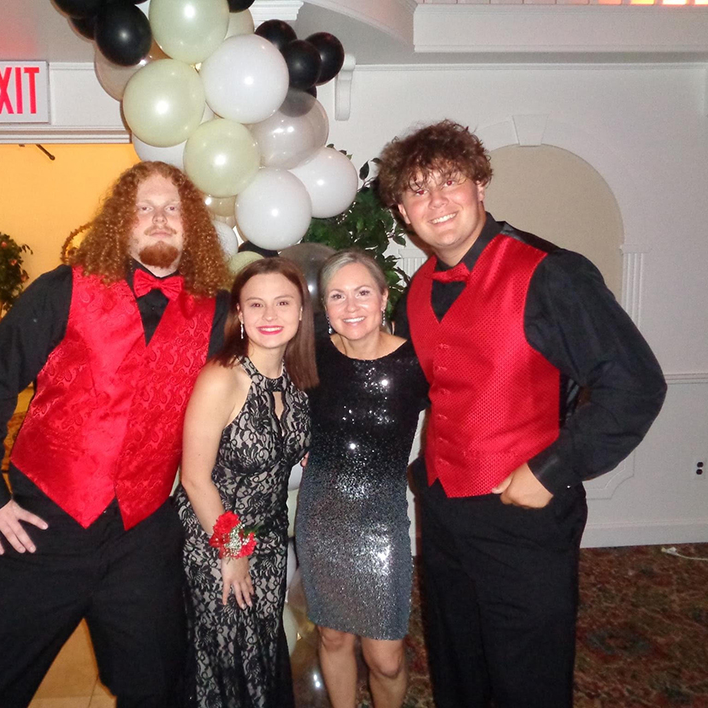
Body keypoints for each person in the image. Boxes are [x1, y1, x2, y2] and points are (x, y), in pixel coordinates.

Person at [377, 120, 667, 708]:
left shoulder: (551, 274)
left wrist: (551, 470)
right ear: (403, 213)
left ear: (481, 186)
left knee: (526, 675)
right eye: (417, 189)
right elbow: (411, 389)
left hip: (523, 512)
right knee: (458, 662)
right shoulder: (415, 291)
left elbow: (635, 385)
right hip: (444, 510)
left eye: (450, 181)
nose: (436, 200)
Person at [0, 161, 230, 707]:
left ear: (191, 225)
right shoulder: (61, 290)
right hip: (43, 527)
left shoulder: (218, 311)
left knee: (156, 687)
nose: (158, 219)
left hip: (144, 534)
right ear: (119, 224)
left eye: (172, 209)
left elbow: (276, 355)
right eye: (143, 208)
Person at [175, 257, 317, 708]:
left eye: (282, 303)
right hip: (213, 534)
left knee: (259, 648)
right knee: (222, 654)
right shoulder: (222, 378)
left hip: (270, 539)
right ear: (239, 312)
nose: (269, 316)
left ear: (300, 312)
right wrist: (232, 553)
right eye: (256, 304)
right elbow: (195, 479)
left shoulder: (295, 380)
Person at [295, 250, 428, 708]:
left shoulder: (416, 363)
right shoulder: (310, 350)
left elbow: (467, 414)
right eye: (338, 296)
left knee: (385, 657)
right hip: (321, 514)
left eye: (363, 293)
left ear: (384, 298)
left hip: (380, 521)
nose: (351, 307)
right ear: (325, 308)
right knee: (333, 637)